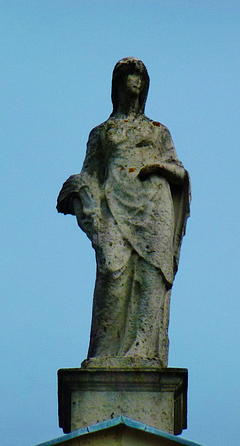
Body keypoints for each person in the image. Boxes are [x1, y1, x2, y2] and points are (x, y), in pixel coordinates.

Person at [57, 57, 190, 368]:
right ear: (117, 83)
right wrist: (82, 202)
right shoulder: (102, 132)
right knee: (111, 273)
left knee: (149, 276)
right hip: (114, 207)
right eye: (131, 76)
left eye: (141, 77)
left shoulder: (158, 131)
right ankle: (105, 352)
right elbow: (90, 174)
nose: (137, 82)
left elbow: (180, 173)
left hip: (153, 209)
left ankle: (144, 352)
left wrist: (159, 166)